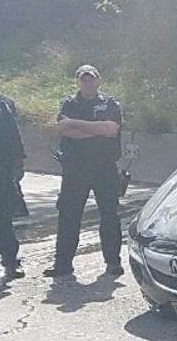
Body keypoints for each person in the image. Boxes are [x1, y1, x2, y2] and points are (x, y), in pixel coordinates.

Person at [47, 65, 126, 279]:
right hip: (75, 168)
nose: (88, 83)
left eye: (91, 79)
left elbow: (111, 129)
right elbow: (64, 129)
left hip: (104, 168)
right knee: (68, 216)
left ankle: (112, 263)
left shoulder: (109, 104)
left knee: (109, 216)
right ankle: (62, 265)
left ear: (98, 81)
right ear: (78, 82)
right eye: (84, 79)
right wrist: (95, 130)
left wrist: (77, 125)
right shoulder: (69, 104)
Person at [0, 74, 25, 281]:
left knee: (2, 219)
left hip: (0, 172)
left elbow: (13, 135)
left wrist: (19, 162)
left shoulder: (3, 105)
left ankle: (10, 262)